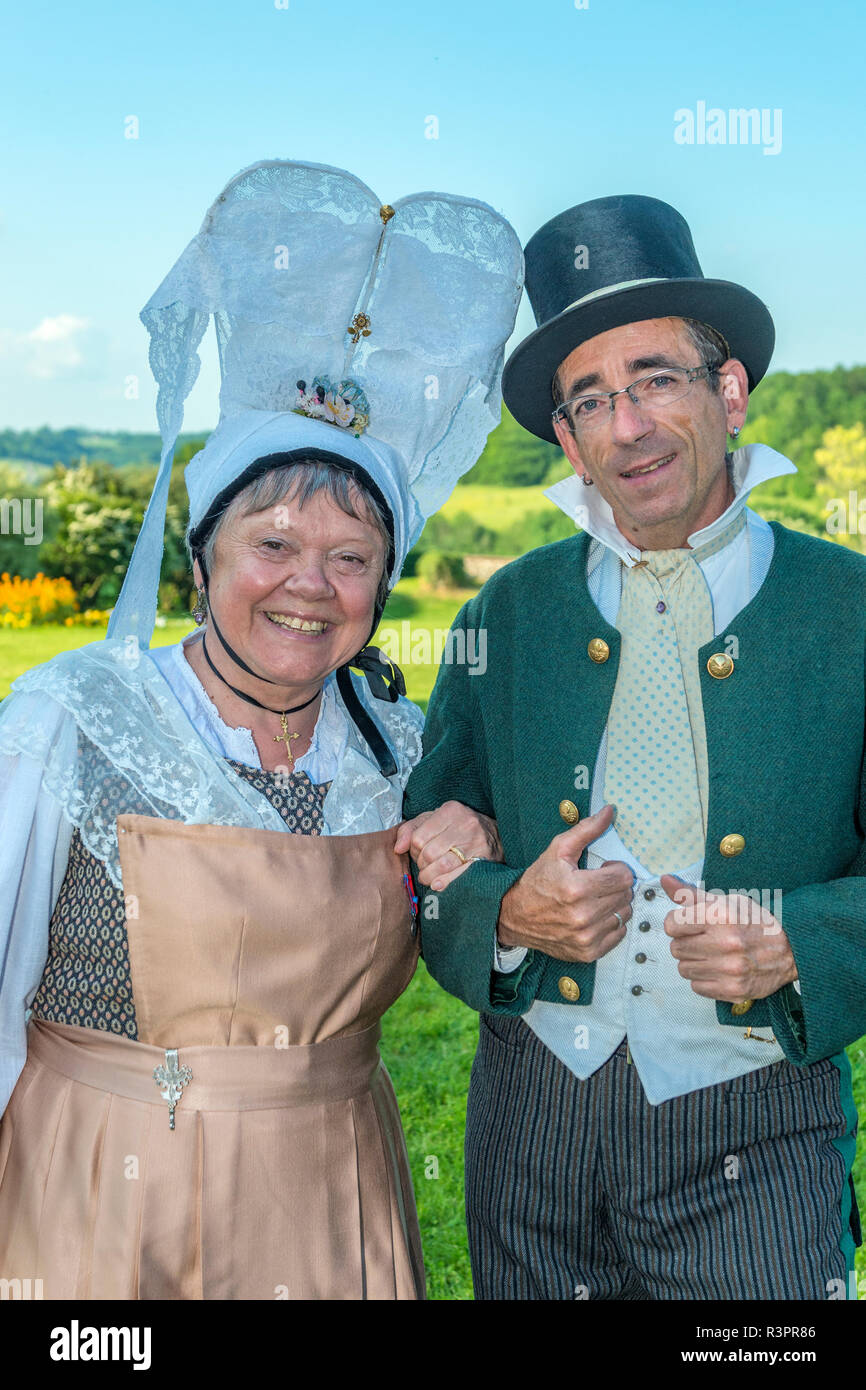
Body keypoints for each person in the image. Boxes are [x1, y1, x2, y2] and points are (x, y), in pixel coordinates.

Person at [0, 159, 522, 1300]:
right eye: (271, 546)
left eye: (351, 558)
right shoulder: (74, 717)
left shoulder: (393, 747)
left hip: (329, 1199)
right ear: (202, 562)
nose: (309, 586)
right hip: (100, 1194)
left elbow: (480, 940)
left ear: (382, 587)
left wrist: (474, 852)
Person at [403, 194, 865, 1300]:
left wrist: (798, 938)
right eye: (590, 400)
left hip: (755, 1123)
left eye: (656, 378)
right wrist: (503, 914)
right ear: (563, 437)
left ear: (729, 390)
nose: (628, 427)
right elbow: (423, 861)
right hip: (530, 1130)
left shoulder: (847, 609)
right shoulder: (501, 616)